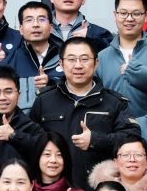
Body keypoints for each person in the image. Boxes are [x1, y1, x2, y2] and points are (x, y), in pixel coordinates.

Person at [18, 40, 136, 175]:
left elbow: (132, 139)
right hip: (56, 183)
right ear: (61, 64)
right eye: (71, 59)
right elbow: (33, 143)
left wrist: (96, 140)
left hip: (99, 184)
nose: (78, 65)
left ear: (96, 63)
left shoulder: (115, 102)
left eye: (85, 59)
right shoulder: (44, 101)